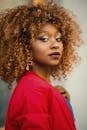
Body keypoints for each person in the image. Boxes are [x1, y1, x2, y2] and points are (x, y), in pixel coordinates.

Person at [0, 0, 83, 130]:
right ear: (25, 47)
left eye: (59, 38)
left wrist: (62, 102)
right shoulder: (33, 89)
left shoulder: (40, 86)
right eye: (44, 38)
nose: (55, 44)